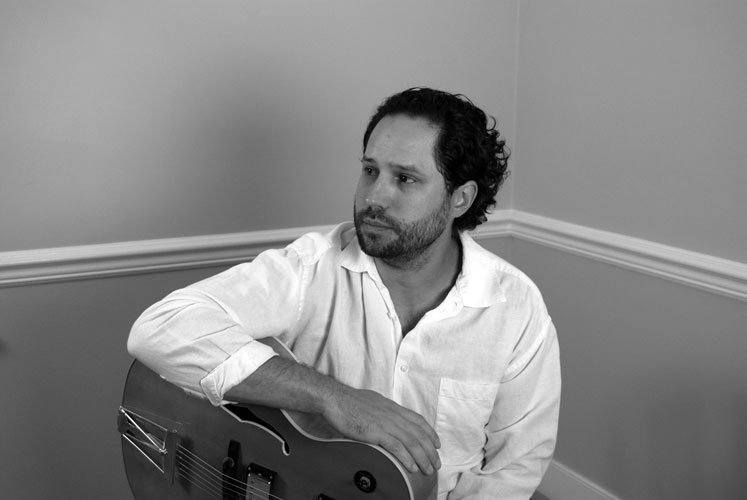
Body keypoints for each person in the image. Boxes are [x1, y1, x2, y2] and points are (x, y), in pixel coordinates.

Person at [128, 87, 560, 499]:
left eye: (405, 179)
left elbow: (516, 463)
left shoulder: (516, 308)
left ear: (460, 198)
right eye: (370, 170)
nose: (374, 197)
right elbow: (159, 329)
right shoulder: (310, 268)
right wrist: (333, 398)